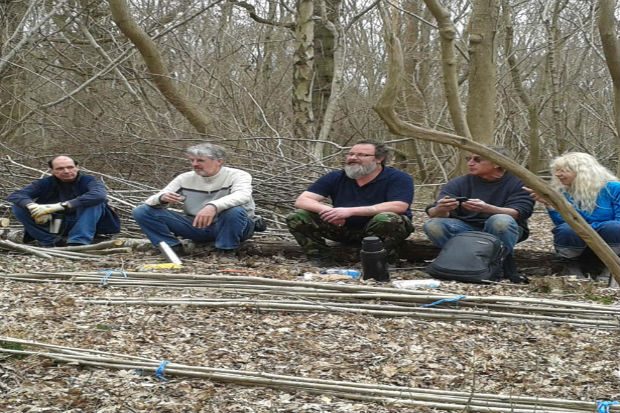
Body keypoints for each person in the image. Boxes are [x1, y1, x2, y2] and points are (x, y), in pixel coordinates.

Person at [286, 140, 414, 260]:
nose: (353, 158)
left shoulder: (398, 178)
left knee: (387, 218)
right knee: (297, 216)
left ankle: (381, 260)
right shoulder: (336, 177)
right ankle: (320, 258)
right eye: (350, 154)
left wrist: (350, 211)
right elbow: (302, 200)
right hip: (343, 228)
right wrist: (331, 211)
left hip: (382, 230)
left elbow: (399, 206)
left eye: (361, 155)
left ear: (379, 159)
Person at [133, 143, 256, 255]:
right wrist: (161, 199)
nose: (194, 164)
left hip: (235, 226)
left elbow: (242, 195)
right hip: (197, 225)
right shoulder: (184, 178)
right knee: (141, 211)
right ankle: (171, 248)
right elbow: (150, 201)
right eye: (192, 160)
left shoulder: (238, 175)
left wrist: (213, 206)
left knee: (234, 211)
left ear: (219, 161)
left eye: (200, 160)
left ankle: (226, 251)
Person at [423, 146, 534, 257]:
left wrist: (487, 208)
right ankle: (464, 260)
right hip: (466, 228)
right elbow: (433, 212)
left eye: (477, 159)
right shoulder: (459, 183)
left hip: (504, 229)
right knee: (434, 225)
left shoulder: (518, 183)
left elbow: (520, 212)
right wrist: (441, 209)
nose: (470, 163)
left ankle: (497, 262)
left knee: (500, 221)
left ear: (497, 163)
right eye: (468, 159)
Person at [524, 152, 620, 279]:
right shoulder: (561, 192)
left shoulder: (614, 188)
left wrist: (590, 228)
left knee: (613, 227)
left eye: (563, 170)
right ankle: (570, 265)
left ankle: (611, 267)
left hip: (609, 241)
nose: (558, 174)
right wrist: (550, 205)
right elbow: (562, 224)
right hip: (578, 242)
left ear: (582, 173)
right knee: (566, 229)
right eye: (557, 170)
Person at [7, 155, 121, 247]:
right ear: (52, 171)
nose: (66, 171)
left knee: (96, 202)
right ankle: (49, 241)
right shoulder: (45, 183)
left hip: (89, 224)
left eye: (70, 167)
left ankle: (78, 242)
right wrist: (32, 206)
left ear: (77, 167)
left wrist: (61, 206)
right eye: (60, 168)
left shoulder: (89, 180)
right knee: (18, 206)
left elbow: (99, 195)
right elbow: (16, 195)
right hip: (57, 224)